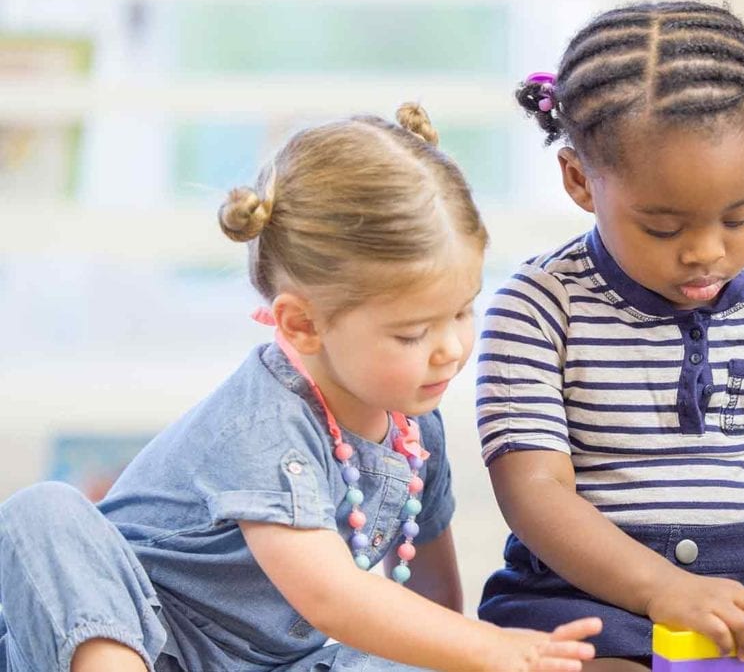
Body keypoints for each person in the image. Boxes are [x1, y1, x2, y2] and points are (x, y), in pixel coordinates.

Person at [0, 104, 601, 672]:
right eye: (414, 332)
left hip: (279, 663)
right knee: (43, 512)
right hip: (139, 639)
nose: (450, 348)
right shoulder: (266, 422)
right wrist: (489, 647)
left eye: (463, 312)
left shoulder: (416, 424)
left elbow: (434, 606)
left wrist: (465, 658)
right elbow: (332, 599)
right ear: (302, 324)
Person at [475, 1, 744, 669]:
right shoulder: (537, 307)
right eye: (663, 227)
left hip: (743, 614)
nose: (706, 252)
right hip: (579, 606)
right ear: (578, 181)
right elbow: (533, 493)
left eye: (740, 215)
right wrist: (662, 588)